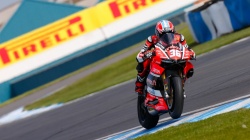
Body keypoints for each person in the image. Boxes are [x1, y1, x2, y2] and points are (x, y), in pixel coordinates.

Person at [135, 20, 195, 95]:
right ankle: (139, 86)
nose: (167, 36)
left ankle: (180, 82)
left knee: (188, 64)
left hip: (173, 57)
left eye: (170, 33)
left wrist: (191, 53)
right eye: (163, 34)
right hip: (159, 58)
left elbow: (187, 48)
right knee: (144, 63)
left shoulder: (180, 37)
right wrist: (146, 54)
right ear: (158, 33)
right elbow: (142, 52)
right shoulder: (152, 39)